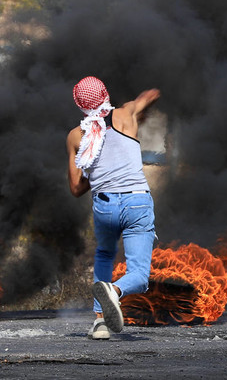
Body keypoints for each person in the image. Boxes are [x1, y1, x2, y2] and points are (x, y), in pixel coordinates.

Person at [66, 76, 161, 340]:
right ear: (106, 94)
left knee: (105, 255)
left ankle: (100, 324)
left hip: (105, 205)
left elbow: (76, 188)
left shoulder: (76, 135)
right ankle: (115, 292)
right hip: (137, 202)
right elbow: (151, 93)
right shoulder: (126, 113)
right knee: (139, 276)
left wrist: (98, 172)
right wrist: (144, 110)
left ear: (80, 105)